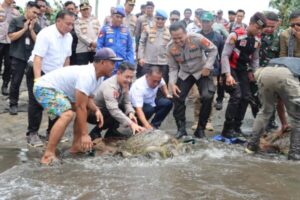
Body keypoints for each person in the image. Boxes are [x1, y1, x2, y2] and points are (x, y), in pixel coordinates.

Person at [34, 48, 120, 165]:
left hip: (60, 92)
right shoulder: (87, 75)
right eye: (112, 63)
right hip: (44, 87)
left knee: (88, 108)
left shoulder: (98, 77)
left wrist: (95, 109)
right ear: (102, 62)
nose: (114, 66)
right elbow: (80, 106)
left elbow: (87, 99)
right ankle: (48, 154)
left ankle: (76, 146)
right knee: (67, 114)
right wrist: (85, 135)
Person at [26, 10, 74, 147]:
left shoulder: (69, 37)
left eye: (72, 25)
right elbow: (38, 58)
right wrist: (37, 81)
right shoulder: (46, 34)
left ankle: (52, 132)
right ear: (58, 21)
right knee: (36, 102)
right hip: (38, 69)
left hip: (56, 75)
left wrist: (65, 77)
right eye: (67, 24)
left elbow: (66, 58)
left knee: (56, 102)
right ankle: (32, 134)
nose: (70, 27)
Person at [167, 22, 217, 139]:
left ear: (186, 33)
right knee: (177, 96)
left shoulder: (197, 38)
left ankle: (200, 129)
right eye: (175, 38)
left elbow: (213, 50)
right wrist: (172, 84)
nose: (178, 41)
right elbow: (173, 68)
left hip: (201, 71)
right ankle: (181, 129)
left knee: (207, 96)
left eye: (180, 37)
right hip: (185, 73)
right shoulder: (170, 47)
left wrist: (207, 66)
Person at [221, 12, 266, 138]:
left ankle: (237, 127)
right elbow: (224, 55)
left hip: (243, 70)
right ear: (250, 24)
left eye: (261, 29)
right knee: (237, 95)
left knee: (246, 97)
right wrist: (227, 75)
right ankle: (227, 128)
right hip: (230, 69)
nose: (259, 31)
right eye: (257, 28)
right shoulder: (235, 35)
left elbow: (255, 59)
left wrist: (254, 72)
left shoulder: (257, 40)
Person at [245, 57, 300, 161]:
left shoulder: (291, 61)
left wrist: (284, 124)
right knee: (297, 118)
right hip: (286, 75)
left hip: (265, 73)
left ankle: (251, 146)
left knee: (265, 111)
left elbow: (280, 102)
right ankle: (295, 154)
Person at [89, 62, 144, 140]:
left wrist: (130, 112)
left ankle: (111, 132)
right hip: (93, 113)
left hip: (107, 109)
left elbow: (127, 101)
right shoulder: (110, 86)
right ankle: (95, 132)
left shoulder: (125, 83)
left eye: (131, 77)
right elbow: (114, 110)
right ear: (118, 73)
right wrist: (131, 124)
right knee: (115, 109)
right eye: (127, 77)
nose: (129, 80)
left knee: (121, 106)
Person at [191, 11, 224, 131]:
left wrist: (221, 74)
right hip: (197, 70)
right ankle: (196, 120)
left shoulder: (218, 37)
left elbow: (222, 56)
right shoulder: (195, 36)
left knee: (209, 97)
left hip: (213, 71)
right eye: (203, 21)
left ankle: (208, 121)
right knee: (197, 96)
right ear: (200, 21)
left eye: (208, 21)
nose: (205, 24)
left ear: (212, 22)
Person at [8, 1, 41, 115]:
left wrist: (31, 29)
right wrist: (24, 28)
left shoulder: (37, 26)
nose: (35, 15)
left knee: (31, 83)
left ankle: (32, 104)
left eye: (37, 13)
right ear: (27, 9)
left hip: (31, 58)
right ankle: (13, 104)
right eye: (34, 12)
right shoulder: (16, 21)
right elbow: (11, 37)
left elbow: (39, 42)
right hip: (18, 56)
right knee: (16, 81)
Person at [97, 5, 134, 75]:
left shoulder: (126, 31)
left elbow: (130, 50)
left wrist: (130, 64)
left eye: (121, 17)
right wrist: (101, 63)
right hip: (108, 65)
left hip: (122, 66)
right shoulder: (105, 29)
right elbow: (99, 47)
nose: (119, 19)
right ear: (112, 16)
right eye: (117, 16)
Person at [138, 9, 171, 83]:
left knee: (162, 85)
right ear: (155, 18)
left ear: (165, 20)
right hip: (148, 62)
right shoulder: (147, 28)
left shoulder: (169, 32)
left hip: (163, 63)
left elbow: (171, 47)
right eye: (158, 18)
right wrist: (141, 57)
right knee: (145, 83)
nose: (160, 21)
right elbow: (141, 43)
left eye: (162, 19)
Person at [0, 0, 19, 95]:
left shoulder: (16, 12)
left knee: (8, 65)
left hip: (10, 41)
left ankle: (5, 85)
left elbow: (17, 26)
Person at [64, 1, 78, 65]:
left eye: (72, 9)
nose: (70, 10)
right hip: (63, 49)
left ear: (75, 10)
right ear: (64, 9)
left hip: (76, 51)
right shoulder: (60, 19)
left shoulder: (79, 21)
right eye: (68, 9)